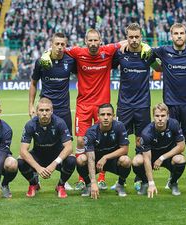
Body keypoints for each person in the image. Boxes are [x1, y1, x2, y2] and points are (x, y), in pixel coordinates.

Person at [40, 29, 130, 191]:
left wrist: (130, 44)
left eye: (96, 40)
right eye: (91, 41)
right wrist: (46, 53)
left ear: (100, 41)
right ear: (85, 41)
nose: (94, 44)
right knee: (81, 141)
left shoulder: (108, 51)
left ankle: (101, 177)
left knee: (103, 141)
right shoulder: (77, 52)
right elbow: (59, 49)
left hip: (103, 106)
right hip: (83, 104)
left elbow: (126, 42)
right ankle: (83, 178)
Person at [111, 23, 160, 191]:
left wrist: (151, 51)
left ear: (141, 37)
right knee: (121, 145)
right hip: (124, 106)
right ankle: (121, 182)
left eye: (136, 37)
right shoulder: (120, 54)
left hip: (142, 106)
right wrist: (119, 44)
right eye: (130, 37)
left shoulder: (147, 54)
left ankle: (141, 179)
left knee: (141, 143)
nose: (133, 40)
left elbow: (159, 68)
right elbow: (105, 61)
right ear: (126, 37)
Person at [151, 23, 186, 189]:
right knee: (174, 142)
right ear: (171, 36)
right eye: (176, 33)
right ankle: (174, 178)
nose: (179, 36)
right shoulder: (164, 51)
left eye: (182, 33)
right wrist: (158, 68)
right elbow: (147, 54)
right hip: (170, 105)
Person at [29, 32, 76, 190]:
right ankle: (37, 174)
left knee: (66, 147)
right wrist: (30, 105)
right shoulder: (42, 62)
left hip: (63, 110)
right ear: (52, 44)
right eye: (57, 44)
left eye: (63, 44)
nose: (60, 47)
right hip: (44, 109)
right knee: (40, 142)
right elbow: (33, 83)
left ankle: (63, 180)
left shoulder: (70, 61)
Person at [18, 98, 76, 198]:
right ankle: (33, 183)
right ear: (37, 111)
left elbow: (69, 147)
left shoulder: (59, 123)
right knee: (20, 160)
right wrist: (38, 168)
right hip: (38, 156)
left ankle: (61, 185)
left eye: (47, 110)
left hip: (56, 156)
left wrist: (54, 164)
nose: (44, 113)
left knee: (71, 159)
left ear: (52, 111)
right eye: (41, 110)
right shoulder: (30, 124)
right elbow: (23, 150)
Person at [76, 103, 131, 199]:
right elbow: (90, 157)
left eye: (109, 114)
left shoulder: (119, 126)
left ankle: (120, 185)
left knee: (126, 160)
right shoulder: (91, 132)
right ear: (98, 116)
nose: (106, 117)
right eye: (102, 114)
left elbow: (125, 149)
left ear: (113, 116)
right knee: (81, 159)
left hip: (113, 161)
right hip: (97, 163)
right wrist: (93, 182)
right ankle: (88, 185)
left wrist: (105, 157)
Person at [133, 103, 186, 197]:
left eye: (163, 116)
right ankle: (145, 183)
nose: (160, 119)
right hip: (151, 158)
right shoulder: (146, 133)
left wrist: (162, 158)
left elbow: (181, 146)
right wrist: (151, 183)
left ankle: (173, 183)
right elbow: (146, 159)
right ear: (153, 117)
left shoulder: (174, 124)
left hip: (168, 157)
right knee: (136, 161)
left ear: (168, 116)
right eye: (157, 116)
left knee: (180, 159)